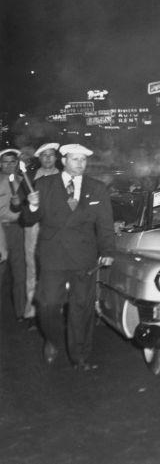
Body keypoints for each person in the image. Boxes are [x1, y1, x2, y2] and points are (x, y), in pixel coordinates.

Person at [23, 144, 114, 370]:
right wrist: (32, 206)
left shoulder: (97, 188)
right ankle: (52, 339)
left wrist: (107, 251)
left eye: (83, 159)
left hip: (84, 255)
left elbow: (105, 224)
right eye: (75, 159)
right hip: (53, 254)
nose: (80, 164)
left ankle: (80, 356)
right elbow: (27, 219)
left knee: (81, 307)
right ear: (63, 161)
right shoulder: (44, 185)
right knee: (47, 305)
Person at [26, 142, 61, 320]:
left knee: (57, 269)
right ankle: (33, 311)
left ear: (56, 158)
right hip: (34, 228)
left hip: (57, 230)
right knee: (33, 268)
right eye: (44, 155)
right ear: (39, 158)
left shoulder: (65, 177)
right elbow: (22, 208)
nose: (48, 158)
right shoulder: (29, 177)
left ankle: (56, 309)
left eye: (51, 155)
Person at [1, 148, 30, 321]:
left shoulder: (23, 182)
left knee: (20, 273)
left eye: (13, 161)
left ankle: (21, 312)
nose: (9, 165)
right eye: (5, 161)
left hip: (18, 230)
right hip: (0, 230)